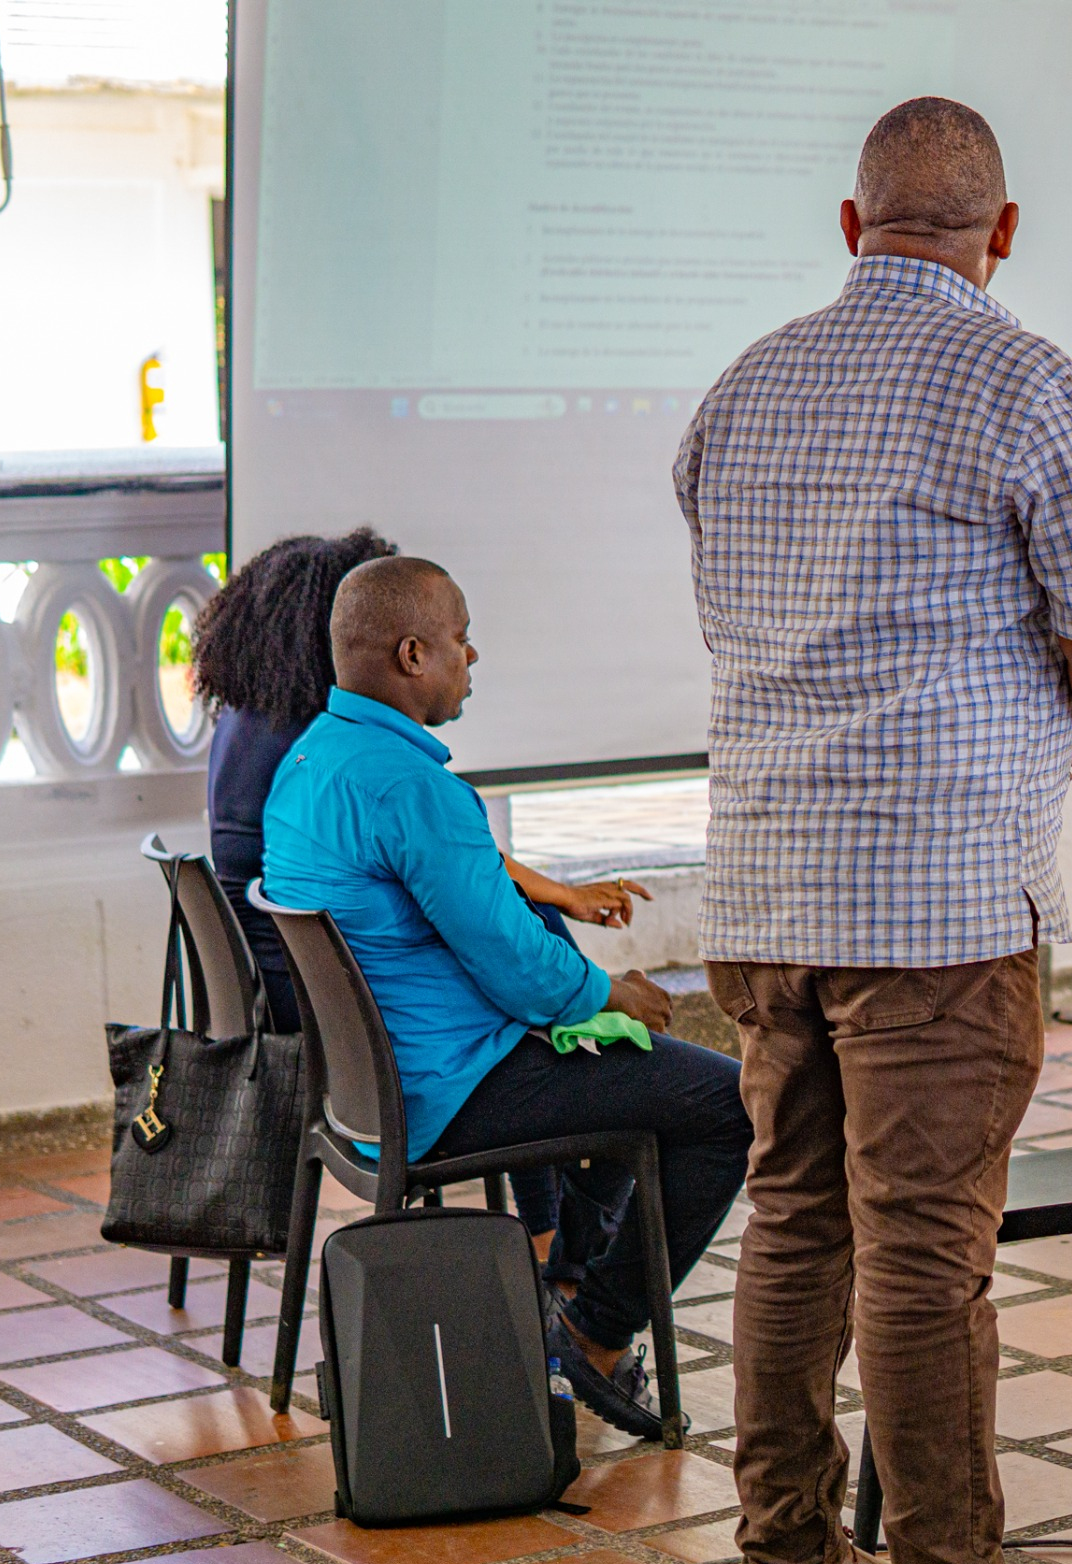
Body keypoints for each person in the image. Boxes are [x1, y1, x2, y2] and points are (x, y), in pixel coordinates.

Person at [673, 97, 1072, 1564]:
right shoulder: (1028, 380)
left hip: (762, 885)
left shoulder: (741, 388)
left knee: (794, 1217)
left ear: (850, 223)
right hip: (938, 896)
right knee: (927, 1254)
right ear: (1003, 233)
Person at [260, 556, 753, 1437]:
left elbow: (484, 922)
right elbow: (517, 968)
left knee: (618, 1074)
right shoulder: (416, 787)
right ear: (415, 655)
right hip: (449, 1089)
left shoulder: (310, 760)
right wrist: (612, 992)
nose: (473, 656)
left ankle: (567, 1281)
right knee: (726, 1102)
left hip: (369, 1092)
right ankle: (595, 1337)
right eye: (460, 638)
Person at [195, 527, 646, 1292]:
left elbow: (435, 859)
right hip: (332, 1005)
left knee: (524, 937)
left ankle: (549, 1234)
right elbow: (432, 852)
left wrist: (548, 898)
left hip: (296, 979)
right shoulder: (331, 751)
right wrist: (567, 937)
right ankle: (552, 1243)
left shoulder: (258, 726)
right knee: (524, 973)